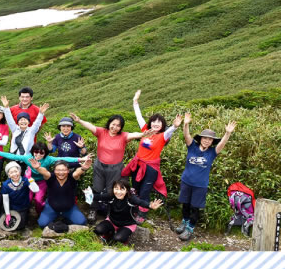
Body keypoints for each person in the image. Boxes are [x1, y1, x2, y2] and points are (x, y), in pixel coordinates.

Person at [70, 112, 146, 221]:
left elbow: (134, 134)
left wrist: (143, 134)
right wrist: (79, 120)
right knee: (97, 188)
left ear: (121, 128)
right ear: (109, 123)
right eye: (113, 124)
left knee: (112, 191)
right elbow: (91, 126)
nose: (115, 127)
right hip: (99, 166)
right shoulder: (102, 132)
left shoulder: (123, 136)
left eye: (118, 125)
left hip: (115, 168)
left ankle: (110, 212)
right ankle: (93, 209)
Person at [123, 89, 183, 223]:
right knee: (135, 187)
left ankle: (142, 214)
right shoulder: (145, 131)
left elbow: (170, 131)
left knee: (145, 190)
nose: (156, 124)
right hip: (138, 164)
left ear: (162, 125)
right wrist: (135, 101)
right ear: (150, 123)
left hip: (151, 168)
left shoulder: (163, 136)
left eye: (159, 122)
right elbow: (138, 116)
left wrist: (174, 126)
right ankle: (133, 208)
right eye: (154, 121)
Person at [176, 114, 236, 241]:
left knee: (195, 208)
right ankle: (184, 222)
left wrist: (227, 133)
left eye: (210, 139)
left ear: (212, 141)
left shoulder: (212, 152)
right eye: (205, 138)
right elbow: (187, 135)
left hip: (200, 185)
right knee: (185, 205)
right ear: (201, 138)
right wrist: (186, 124)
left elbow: (223, 143)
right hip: (186, 181)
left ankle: (190, 229)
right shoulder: (192, 146)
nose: (207, 141)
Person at [0, 144, 84, 215]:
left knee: (38, 200)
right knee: (27, 198)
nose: (38, 155)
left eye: (41, 153)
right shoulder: (28, 158)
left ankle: (40, 213)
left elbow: (63, 158)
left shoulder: (48, 159)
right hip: (28, 181)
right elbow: (13, 156)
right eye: (36, 152)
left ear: (45, 153)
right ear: (32, 152)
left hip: (42, 181)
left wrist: (80, 159)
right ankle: (25, 213)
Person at [93, 180, 163, 244]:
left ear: (127, 190)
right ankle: (108, 234)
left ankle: (124, 238)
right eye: (116, 188)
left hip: (127, 224)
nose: (118, 192)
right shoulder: (111, 196)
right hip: (112, 221)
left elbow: (140, 202)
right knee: (98, 230)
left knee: (117, 239)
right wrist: (89, 194)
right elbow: (100, 197)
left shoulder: (131, 198)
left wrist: (150, 206)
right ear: (113, 189)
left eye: (122, 189)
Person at [30, 157, 93, 228]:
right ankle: (56, 222)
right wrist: (38, 168)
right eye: (58, 170)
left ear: (68, 170)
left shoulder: (72, 177)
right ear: (54, 170)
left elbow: (77, 173)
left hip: (69, 208)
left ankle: (65, 221)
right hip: (52, 207)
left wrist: (83, 168)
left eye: (63, 170)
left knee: (82, 222)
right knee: (42, 224)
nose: (61, 172)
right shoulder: (50, 177)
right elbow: (45, 172)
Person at [0, 162, 37, 229]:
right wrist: (7, 214)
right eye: (11, 172)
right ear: (9, 175)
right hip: (11, 207)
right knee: (7, 224)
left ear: (19, 171)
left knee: (20, 226)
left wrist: (30, 179)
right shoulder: (5, 184)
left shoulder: (25, 180)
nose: (14, 174)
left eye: (16, 171)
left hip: (23, 207)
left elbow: (35, 190)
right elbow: (5, 200)